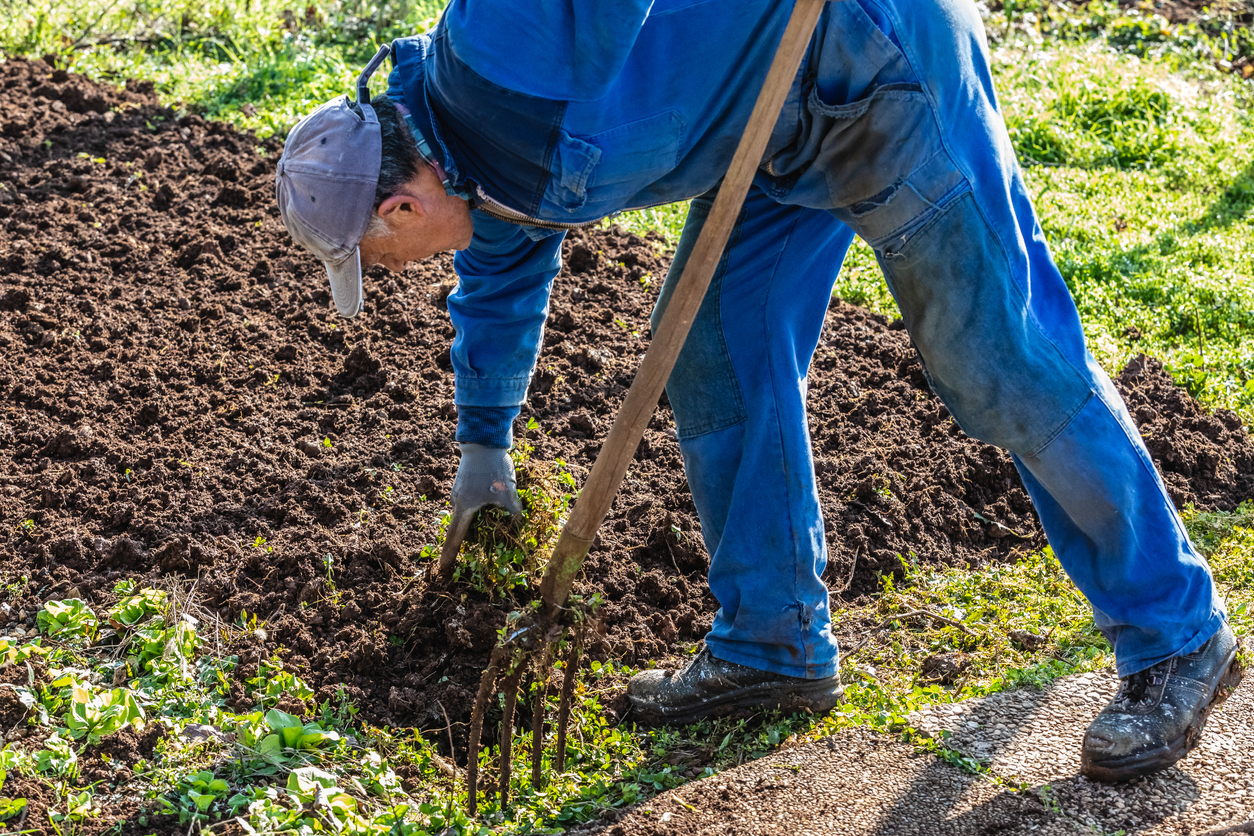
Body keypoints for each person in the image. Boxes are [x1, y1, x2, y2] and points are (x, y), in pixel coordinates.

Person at [275, 0, 1243, 782]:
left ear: (399, 207)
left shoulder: (495, 48)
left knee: (998, 358)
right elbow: (498, 269)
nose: (390, 269)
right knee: (709, 339)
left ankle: (1174, 632)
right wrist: (485, 444)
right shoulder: (467, 164)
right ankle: (773, 640)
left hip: (870, 58)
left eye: (376, 257)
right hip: (770, 138)